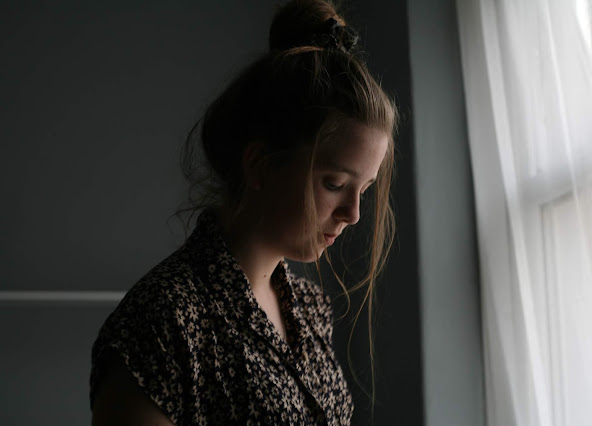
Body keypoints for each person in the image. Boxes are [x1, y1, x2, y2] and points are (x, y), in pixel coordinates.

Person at [89, 0, 397, 424]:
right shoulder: (163, 320)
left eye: (364, 189)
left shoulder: (311, 308)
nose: (353, 213)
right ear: (261, 166)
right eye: (334, 184)